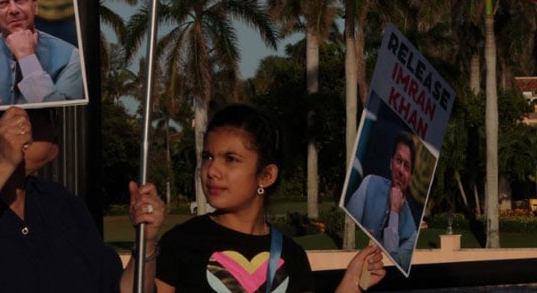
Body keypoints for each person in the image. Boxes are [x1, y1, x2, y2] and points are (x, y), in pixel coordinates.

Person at [0, 107, 165, 292]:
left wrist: (147, 241)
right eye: (48, 115)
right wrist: (4, 162)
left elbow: (117, 288)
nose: (56, 126)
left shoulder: (61, 203)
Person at [156, 104, 386, 293]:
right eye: (208, 156)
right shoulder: (179, 244)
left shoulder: (292, 255)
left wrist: (352, 284)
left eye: (231, 159)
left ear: (266, 176)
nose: (212, 170)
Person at [344, 133, 418, 268]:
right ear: (391, 164)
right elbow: (348, 220)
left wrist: (394, 212)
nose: (401, 170)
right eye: (398, 161)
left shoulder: (412, 234)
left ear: (411, 178)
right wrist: (362, 235)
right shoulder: (369, 183)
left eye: (406, 166)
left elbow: (392, 265)